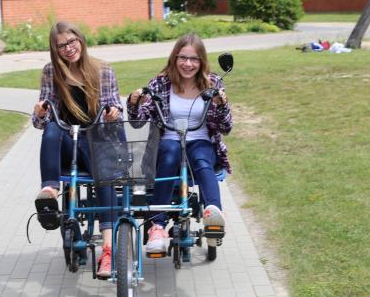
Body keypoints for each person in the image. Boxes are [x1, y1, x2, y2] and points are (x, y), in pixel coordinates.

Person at [127, 33, 233, 254]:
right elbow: (140, 121)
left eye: (194, 59)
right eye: (183, 58)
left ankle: (214, 216)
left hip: (200, 139)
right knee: (170, 153)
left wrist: (221, 105)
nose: (188, 64)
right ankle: (157, 226)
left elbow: (226, 127)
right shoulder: (160, 82)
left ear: (202, 61)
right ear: (175, 58)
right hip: (169, 140)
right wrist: (134, 103)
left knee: (203, 160)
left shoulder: (213, 83)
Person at [32, 21, 122, 278]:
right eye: (62, 46)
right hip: (65, 140)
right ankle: (50, 189)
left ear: (81, 40)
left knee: (104, 179)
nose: (69, 49)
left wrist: (114, 113)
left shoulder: (102, 70)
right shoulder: (51, 72)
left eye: (72, 42)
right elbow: (40, 120)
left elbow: (116, 106)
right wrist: (39, 113)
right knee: (50, 128)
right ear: (55, 50)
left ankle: (108, 250)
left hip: (95, 137)